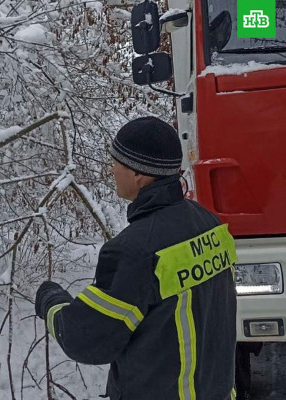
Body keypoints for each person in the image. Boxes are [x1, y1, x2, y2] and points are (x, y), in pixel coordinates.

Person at [35, 117, 238, 400]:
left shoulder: (135, 251)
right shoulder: (208, 222)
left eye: (116, 163)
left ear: (137, 173)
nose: (111, 170)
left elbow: (87, 339)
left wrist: (51, 301)